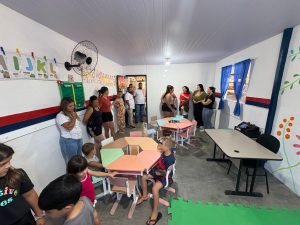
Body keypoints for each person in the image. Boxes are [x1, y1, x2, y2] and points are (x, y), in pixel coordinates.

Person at [0, 143, 45, 225]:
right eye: (3, 164)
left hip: (25, 220)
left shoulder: (17, 174)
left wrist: (40, 216)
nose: (9, 165)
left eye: (9, 161)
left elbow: (30, 195)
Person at [67, 155, 117, 225]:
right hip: (84, 205)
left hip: (92, 200)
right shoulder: (75, 183)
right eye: (81, 171)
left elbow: (97, 173)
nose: (84, 172)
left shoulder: (86, 171)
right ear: (73, 172)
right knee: (91, 220)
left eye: (85, 168)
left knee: (95, 218)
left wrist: (109, 174)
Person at [137, 137, 176, 225]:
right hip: (158, 172)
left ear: (167, 147)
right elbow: (160, 146)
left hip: (165, 177)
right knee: (143, 177)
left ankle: (155, 212)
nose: (160, 146)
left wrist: (156, 172)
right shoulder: (165, 152)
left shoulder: (169, 159)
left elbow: (166, 174)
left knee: (154, 189)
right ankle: (144, 196)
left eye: (162, 145)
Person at [56, 97, 82, 164]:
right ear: (64, 106)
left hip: (78, 139)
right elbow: (69, 127)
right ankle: (72, 175)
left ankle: (79, 174)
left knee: (79, 161)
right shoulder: (60, 116)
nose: (72, 107)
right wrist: (73, 118)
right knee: (72, 162)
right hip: (69, 141)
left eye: (73, 105)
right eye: (70, 106)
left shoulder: (72, 113)